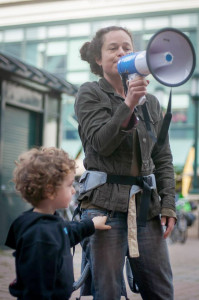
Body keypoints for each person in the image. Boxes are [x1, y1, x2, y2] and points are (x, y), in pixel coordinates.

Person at [74, 26, 177, 300]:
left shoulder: (151, 103)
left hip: (147, 209)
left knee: (161, 291)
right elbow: (101, 143)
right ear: (98, 58)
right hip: (103, 210)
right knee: (106, 292)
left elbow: (163, 158)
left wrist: (168, 204)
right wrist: (129, 103)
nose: (121, 52)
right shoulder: (89, 94)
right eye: (113, 48)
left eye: (127, 47)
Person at [5, 147, 111, 300]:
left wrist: (91, 224)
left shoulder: (46, 223)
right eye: (69, 185)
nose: (74, 191)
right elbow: (36, 291)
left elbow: (67, 232)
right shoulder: (40, 237)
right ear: (49, 191)